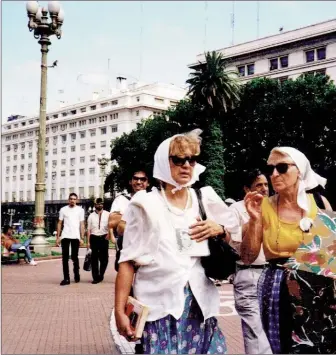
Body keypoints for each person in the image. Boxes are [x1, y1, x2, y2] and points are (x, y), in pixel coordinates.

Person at [115, 130, 239, 354]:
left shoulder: (204, 198)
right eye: (179, 159)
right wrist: (119, 311)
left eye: (192, 159)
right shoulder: (145, 204)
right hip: (160, 309)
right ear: (164, 162)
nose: (186, 165)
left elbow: (238, 241)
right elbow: (127, 261)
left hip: (200, 308)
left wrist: (220, 230)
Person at [241, 147, 336, 354]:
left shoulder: (319, 202)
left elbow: (330, 256)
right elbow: (247, 257)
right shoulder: (262, 206)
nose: (274, 174)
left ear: (299, 170)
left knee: (319, 345)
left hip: (315, 287)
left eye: (282, 168)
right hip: (277, 287)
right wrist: (254, 220)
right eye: (271, 168)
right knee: (283, 346)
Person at [229, 170, 272, 354]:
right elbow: (238, 248)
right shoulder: (236, 210)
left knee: (273, 333)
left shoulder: (276, 206)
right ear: (247, 189)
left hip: (273, 274)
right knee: (255, 334)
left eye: (265, 184)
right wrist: (253, 220)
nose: (264, 189)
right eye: (258, 185)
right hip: (249, 275)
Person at [109, 169, 150, 271]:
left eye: (143, 179)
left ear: (148, 183)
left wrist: (124, 219)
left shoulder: (153, 200)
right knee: (126, 284)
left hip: (147, 250)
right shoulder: (121, 200)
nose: (139, 182)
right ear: (130, 181)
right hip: (126, 249)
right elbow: (112, 221)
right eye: (136, 179)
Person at [56, 193, 85, 286]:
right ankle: (66, 278)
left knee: (74, 257)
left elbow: (82, 224)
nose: (72, 200)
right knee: (65, 258)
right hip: (65, 236)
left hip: (75, 236)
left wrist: (82, 237)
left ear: (77, 200)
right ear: (68, 200)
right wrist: (58, 237)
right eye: (71, 199)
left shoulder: (80, 210)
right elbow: (60, 223)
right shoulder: (63, 210)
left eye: (74, 199)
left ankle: (76, 274)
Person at [87, 198, 111, 284]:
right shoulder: (91, 216)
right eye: (97, 204)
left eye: (101, 203)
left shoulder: (108, 214)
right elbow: (89, 230)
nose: (99, 205)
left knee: (104, 259)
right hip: (94, 238)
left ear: (103, 204)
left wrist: (109, 234)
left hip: (104, 238)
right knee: (94, 259)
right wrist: (88, 242)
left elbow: (110, 226)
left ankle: (101, 274)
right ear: (95, 205)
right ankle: (96, 277)